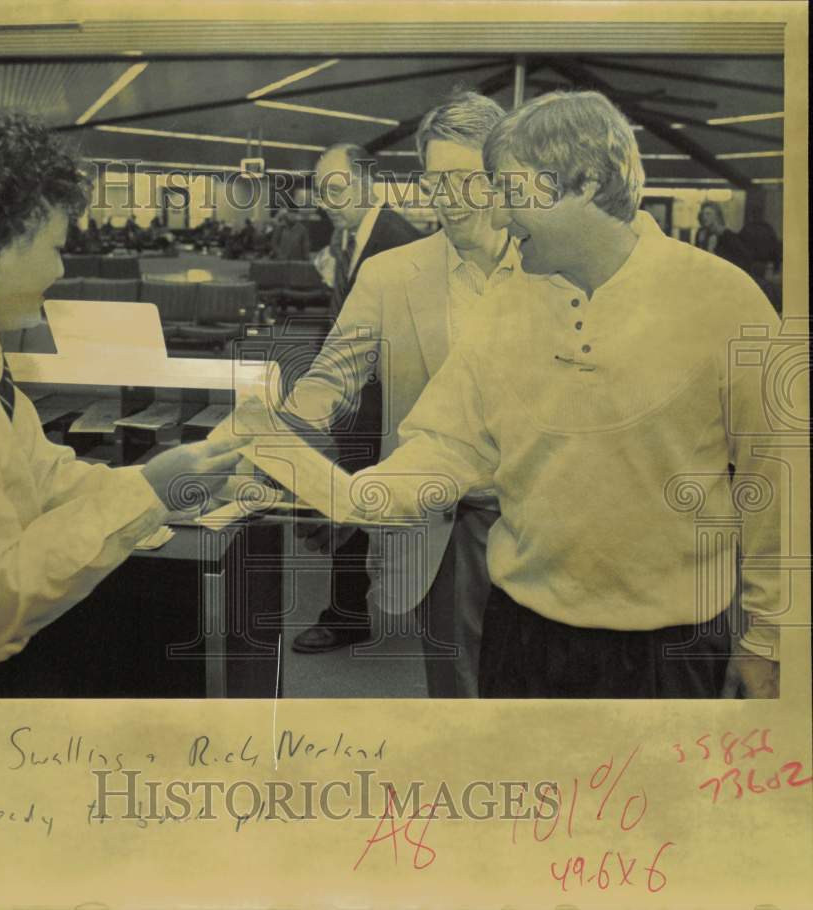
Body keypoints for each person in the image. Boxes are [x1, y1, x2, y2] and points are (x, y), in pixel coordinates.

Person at [344, 91, 781, 698]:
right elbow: (446, 442)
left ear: (587, 183)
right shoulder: (508, 302)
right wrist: (349, 494)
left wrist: (768, 637)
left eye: (513, 194)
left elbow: (778, 480)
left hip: (669, 651)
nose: (497, 218)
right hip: (520, 636)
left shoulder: (725, 300)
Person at [0, 107, 246, 695]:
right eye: (55, 247)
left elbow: (39, 474)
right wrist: (149, 493)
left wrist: (164, 482)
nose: (60, 269)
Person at [286, 93, 516, 698]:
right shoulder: (392, 274)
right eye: (437, 180)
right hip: (442, 523)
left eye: (469, 179)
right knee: (458, 688)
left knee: (539, 695)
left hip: (544, 522)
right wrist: (281, 441)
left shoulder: (552, 269)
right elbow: (331, 377)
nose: (450, 197)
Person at [288, 143, 420, 654]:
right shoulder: (351, 237)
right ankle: (353, 609)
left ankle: (346, 617)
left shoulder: (394, 241)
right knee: (350, 504)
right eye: (321, 189)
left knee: (351, 504)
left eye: (336, 186)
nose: (326, 199)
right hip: (355, 400)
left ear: (367, 182)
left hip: (379, 402)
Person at [694, 201, 750, 271]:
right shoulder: (701, 233)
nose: (704, 217)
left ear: (717, 216)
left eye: (708, 214)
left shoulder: (727, 235)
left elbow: (743, 258)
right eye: (703, 214)